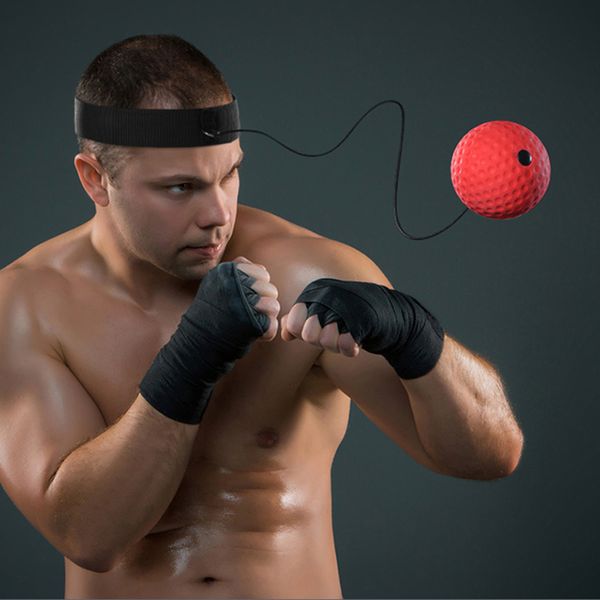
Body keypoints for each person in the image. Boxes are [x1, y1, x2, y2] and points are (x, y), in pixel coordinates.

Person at [0, 34, 524, 599]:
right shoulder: (26, 305)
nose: (217, 214)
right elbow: (87, 536)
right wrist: (192, 359)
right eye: (181, 188)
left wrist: (419, 339)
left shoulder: (309, 273)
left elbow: (490, 458)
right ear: (95, 179)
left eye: (229, 174)